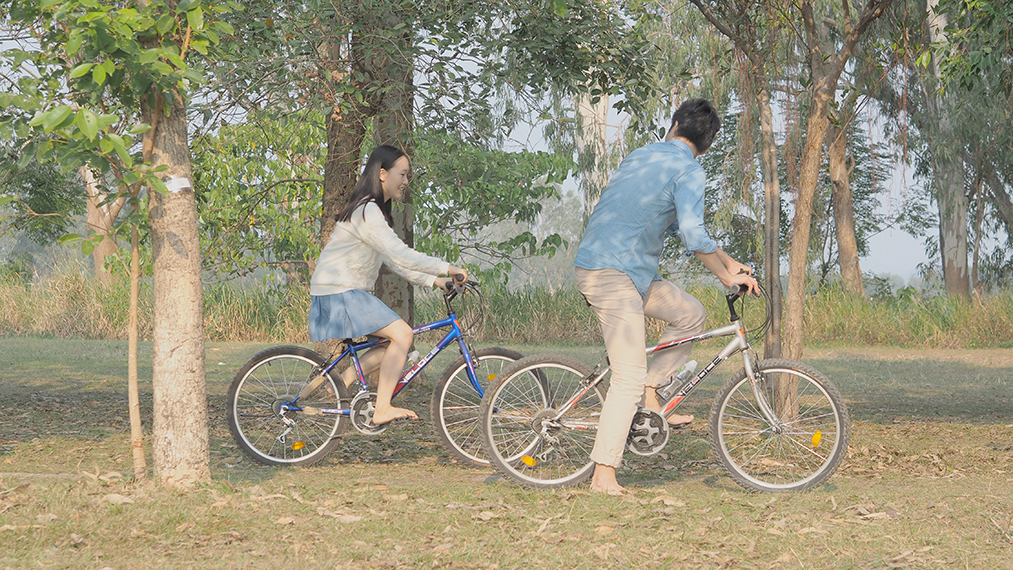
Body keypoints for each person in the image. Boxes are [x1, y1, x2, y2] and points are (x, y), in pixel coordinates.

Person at [573, 98, 759, 495]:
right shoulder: (690, 171)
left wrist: (730, 262)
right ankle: (603, 475)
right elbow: (692, 234)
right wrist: (727, 276)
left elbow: (674, 225)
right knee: (627, 376)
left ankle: (651, 398)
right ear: (707, 146)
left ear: (673, 126)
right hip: (613, 276)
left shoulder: (641, 155)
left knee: (690, 313)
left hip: (624, 273)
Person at [308, 145, 468, 426]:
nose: (406, 181)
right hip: (340, 291)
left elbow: (394, 262)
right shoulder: (367, 211)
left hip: (341, 290)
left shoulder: (372, 212)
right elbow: (401, 254)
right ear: (382, 174)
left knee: (392, 345)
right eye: (402, 174)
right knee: (403, 335)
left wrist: (434, 280)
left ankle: (341, 383)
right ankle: (382, 408)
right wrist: (447, 267)